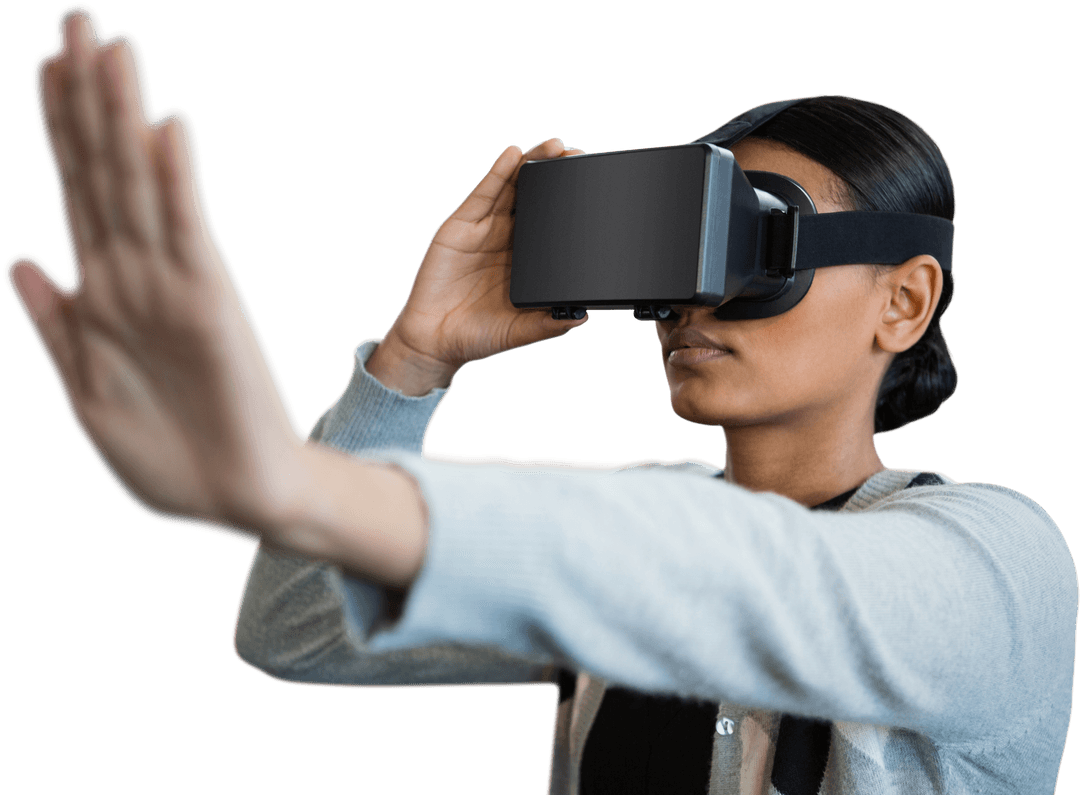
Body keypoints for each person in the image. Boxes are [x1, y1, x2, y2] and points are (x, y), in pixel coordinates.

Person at [6, 6, 1076, 794]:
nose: (689, 306)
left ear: (904, 300)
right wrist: (413, 360)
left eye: (746, 247)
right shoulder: (603, 545)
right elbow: (295, 627)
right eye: (678, 259)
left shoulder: (998, 563)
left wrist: (292, 482)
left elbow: (752, 581)